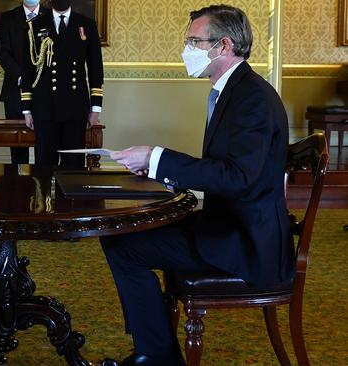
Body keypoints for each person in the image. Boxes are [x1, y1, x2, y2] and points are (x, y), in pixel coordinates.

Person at [99, 5, 293, 365]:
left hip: (246, 241)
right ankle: (156, 352)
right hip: (229, 223)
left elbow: (237, 178)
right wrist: (158, 168)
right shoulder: (233, 90)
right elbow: (223, 168)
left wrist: (157, 158)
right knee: (122, 233)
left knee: (123, 246)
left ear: (223, 45)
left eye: (193, 41)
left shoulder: (251, 98)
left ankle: (156, 357)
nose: (186, 49)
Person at [20, 0, 103, 169]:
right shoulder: (35, 25)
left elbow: (96, 68)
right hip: (44, 107)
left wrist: (96, 108)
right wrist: (27, 109)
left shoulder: (86, 24)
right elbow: (28, 69)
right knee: (44, 165)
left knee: (73, 166)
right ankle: (43, 197)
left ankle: (70, 197)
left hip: (75, 106)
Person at [0, 0, 47, 164]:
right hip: (15, 92)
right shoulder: (8, 18)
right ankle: (18, 186)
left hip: (46, 92)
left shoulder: (51, 16)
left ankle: (45, 186)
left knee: (46, 145)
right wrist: (22, 77)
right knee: (18, 147)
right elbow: (2, 52)